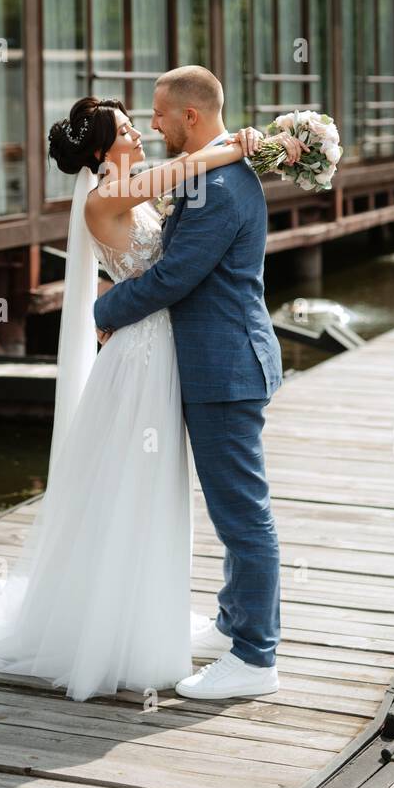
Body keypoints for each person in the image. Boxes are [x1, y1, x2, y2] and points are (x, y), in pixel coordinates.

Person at [0, 88, 300, 703]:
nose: (141, 131)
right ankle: (155, 627)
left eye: (144, 119)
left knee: (216, 505)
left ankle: (248, 648)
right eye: (126, 128)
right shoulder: (111, 194)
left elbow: (174, 239)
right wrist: (242, 146)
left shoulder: (153, 182)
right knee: (135, 488)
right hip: (147, 359)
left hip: (178, 355)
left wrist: (246, 147)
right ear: (101, 151)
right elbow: (185, 177)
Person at [94, 67, 296, 699]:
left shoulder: (222, 185)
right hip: (214, 361)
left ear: (189, 116)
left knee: (242, 513)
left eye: (157, 114)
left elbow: (174, 276)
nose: (152, 125)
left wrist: (97, 314)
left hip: (226, 365)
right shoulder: (210, 173)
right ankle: (234, 622)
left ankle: (256, 657)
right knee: (232, 507)